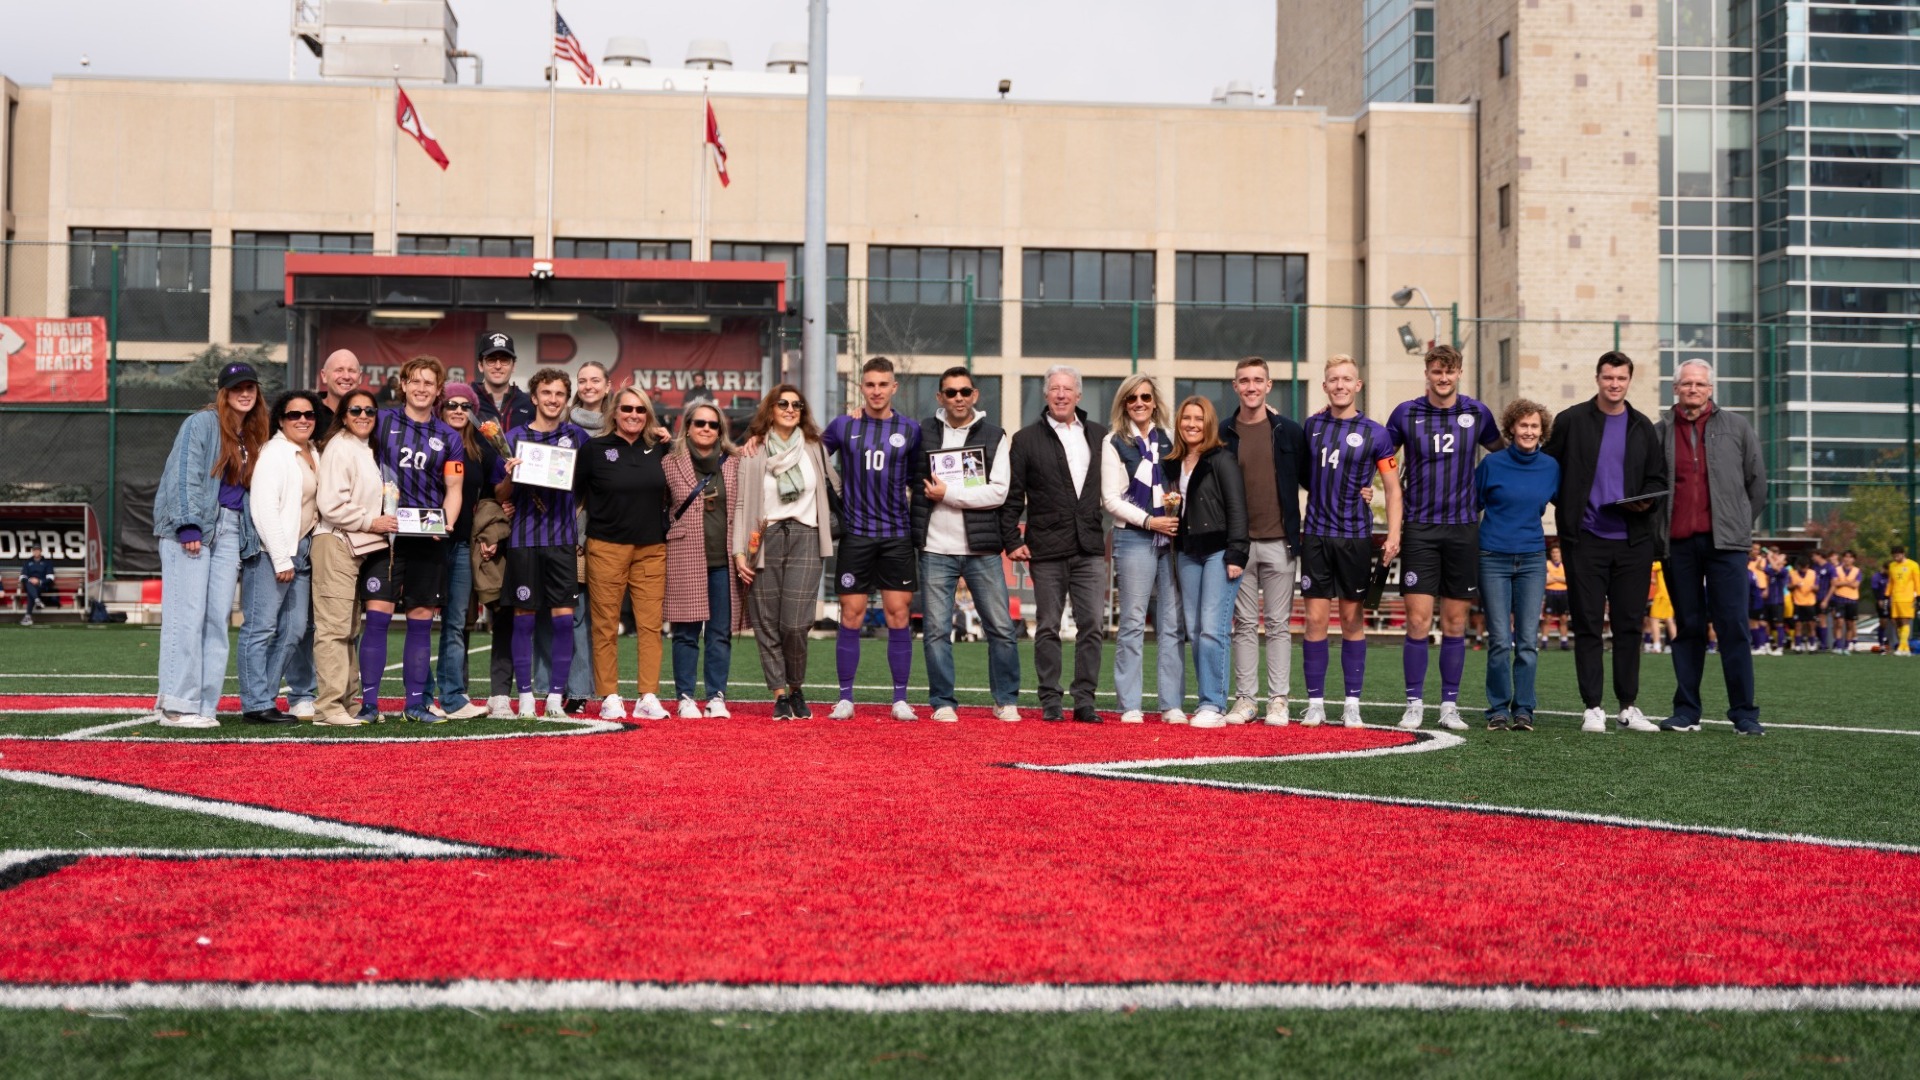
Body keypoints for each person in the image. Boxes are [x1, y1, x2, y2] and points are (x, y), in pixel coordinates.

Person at [1543, 351, 1667, 734]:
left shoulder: (1642, 426)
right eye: (1608, 377)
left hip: (1633, 542)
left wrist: (1646, 501)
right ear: (1597, 378)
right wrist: (1568, 505)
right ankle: (1592, 707)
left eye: (1621, 378)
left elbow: (1657, 478)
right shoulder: (1571, 420)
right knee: (1588, 625)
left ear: (1629, 381)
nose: (1615, 384)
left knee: (1629, 625)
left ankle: (1628, 706)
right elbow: (1548, 469)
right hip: (1584, 540)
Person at [1386, 345, 1503, 731]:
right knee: (1418, 621)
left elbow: (1504, 455)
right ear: (1427, 373)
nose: (1443, 378)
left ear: (1459, 373)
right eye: (1437, 371)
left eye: (1449, 372)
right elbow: (1379, 454)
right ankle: (1414, 703)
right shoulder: (1405, 413)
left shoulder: (1477, 413)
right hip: (1419, 529)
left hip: (1463, 529)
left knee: (1455, 623)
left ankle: (1449, 706)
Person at [148, 361, 266, 728]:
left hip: (229, 531)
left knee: (216, 620)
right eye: (236, 388)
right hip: (193, 528)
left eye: (250, 387)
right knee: (186, 617)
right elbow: (184, 473)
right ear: (224, 393)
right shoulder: (201, 423)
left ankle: (203, 705)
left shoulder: (253, 433)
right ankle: (175, 706)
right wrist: (188, 525)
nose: (244, 393)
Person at [1653, 357, 1767, 734]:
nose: (1693, 389)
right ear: (1675, 388)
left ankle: (1745, 714)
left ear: (1710, 389)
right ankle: (1686, 712)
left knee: (1733, 625)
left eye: (1700, 384)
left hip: (1727, 545)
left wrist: (1738, 522)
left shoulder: (1737, 427)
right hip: (1678, 545)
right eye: (1687, 383)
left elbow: (1757, 483)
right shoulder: (1659, 431)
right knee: (1688, 627)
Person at [359, 355, 465, 724]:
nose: (421, 388)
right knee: (377, 617)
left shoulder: (449, 437)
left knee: (421, 620)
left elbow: (454, 488)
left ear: (438, 391)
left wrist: (446, 523)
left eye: (428, 383)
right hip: (385, 537)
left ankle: (415, 706)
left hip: (427, 538)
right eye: (415, 381)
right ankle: (368, 705)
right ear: (403, 385)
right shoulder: (382, 421)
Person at [912, 366, 1021, 723]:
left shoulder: (994, 435)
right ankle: (942, 702)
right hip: (934, 548)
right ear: (940, 397)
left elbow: (998, 493)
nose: (958, 398)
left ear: (975, 395)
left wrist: (948, 494)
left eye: (964, 391)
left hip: (981, 550)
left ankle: (1005, 700)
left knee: (1001, 628)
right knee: (936, 632)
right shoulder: (923, 432)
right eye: (950, 392)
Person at [1298, 355, 1401, 728]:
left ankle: (1352, 704)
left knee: (1352, 620)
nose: (1340, 385)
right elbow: (1306, 476)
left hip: (1355, 537)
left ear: (1358, 385)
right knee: (1314, 620)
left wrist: (1394, 534)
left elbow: (1392, 488)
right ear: (1325, 386)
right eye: (1333, 379)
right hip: (1316, 535)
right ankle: (1315, 703)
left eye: (1347, 379)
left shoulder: (1377, 433)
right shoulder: (1311, 426)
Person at [1002, 365, 1109, 723]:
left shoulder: (1100, 435)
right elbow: (1013, 495)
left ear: (1079, 395)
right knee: (1048, 625)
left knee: (1092, 625)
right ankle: (1050, 699)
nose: (1061, 395)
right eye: (1054, 388)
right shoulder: (1025, 439)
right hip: (1045, 548)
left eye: (1067, 389)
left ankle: (1085, 701)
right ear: (1046, 394)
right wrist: (1011, 539)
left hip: (1089, 546)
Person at [819, 356, 924, 721]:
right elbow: (810, 455)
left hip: (896, 536)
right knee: (851, 615)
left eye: (883, 384)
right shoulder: (843, 425)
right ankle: (845, 698)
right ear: (861, 387)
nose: (876, 391)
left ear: (894, 387)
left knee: (899, 615)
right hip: (857, 535)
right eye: (870, 384)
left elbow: (918, 479)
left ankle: (900, 700)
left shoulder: (910, 429)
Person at [733, 385, 840, 719]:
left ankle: (796, 687)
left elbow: (835, 487)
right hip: (763, 537)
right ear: (771, 409)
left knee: (796, 623)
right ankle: (779, 694)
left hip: (807, 535)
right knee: (766, 621)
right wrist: (738, 552)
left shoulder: (814, 447)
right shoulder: (753, 451)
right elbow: (741, 504)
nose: (791, 409)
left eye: (797, 404)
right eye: (783, 403)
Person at [494, 368, 589, 720]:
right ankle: (525, 698)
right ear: (534, 397)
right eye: (546, 393)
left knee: (563, 620)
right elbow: (500, 494)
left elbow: (589, 485)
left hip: (562, 541)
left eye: (559, 394)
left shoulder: (577, 437)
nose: (553, 399)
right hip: (524, 540)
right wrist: (510, 474)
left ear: (566, 399)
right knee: (524, 619)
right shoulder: (513, 437)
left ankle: (554, 698)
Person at [1219, 357, 1310, 726]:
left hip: (1280, 542)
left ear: (1269, 386)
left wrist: (1363, 490)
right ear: (1235, 386)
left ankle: (1278, 700)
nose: (1251, 387)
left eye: (1258, 380)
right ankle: (1245, 700)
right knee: (1243, 624)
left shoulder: (1290, 432)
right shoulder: (1222, 433)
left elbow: (1313, 480)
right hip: (1238, 545)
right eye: (1245, 380)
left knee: (1277, 624)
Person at [573, 386, 673, 720]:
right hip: (605, 547)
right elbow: (573, 494)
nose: (633, 415)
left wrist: (671, 441)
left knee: (650, 625)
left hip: (651, 549)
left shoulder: (660, 448)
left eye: (640, 410)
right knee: (605, 625)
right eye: (627, 408)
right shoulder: (594, 449)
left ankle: (648, 695)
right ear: (614, 412)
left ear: (648, 415)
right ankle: (610, 696)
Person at [1101, 374, 1186, 724]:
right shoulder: (1113, 441)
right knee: (1133, 622)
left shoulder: (1170, 438)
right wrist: (1151, 522)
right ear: (1123, 403)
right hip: (1134, 537)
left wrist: (1172, 515)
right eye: (1132, 398)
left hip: (1172, 537)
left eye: (1145, 397)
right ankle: (1130, 704)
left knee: (1172, 623)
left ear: (1154, 402)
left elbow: (1182, 482)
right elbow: (1110, 499)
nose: (1139, 403)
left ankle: (1171, 704)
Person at [1474, 399, 1559, 732]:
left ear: (1542, 430)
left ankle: (1524, 709)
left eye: (1534, 426)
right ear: (1511, 428)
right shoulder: (1492, 464)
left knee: (1527, 641)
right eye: (1523, 425)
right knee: (1498, 639)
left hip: (1533, 560)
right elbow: (1470, 504)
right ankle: (1497, 709)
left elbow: (1569, 503)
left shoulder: (1551, 467)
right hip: (1492, 557)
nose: (1528, 431)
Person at [237, 390, 321, 725]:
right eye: (293, 415)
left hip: (301, 551)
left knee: (295, 630)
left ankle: (264, 699)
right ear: (281, 420)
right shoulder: (273, 452)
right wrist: (280, 557)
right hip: (271, 553)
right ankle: (255, 704)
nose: (302, 420)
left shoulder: (313, 451)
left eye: (309, 414)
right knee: (260, 628)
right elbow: (263, 508)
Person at [311, 388, 393, 726]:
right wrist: (372, 522)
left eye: (369, 411)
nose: (363, 416)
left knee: (348, 626)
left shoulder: (364, 448)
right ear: (343, 416)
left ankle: (345, 702)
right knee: (334, 628)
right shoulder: (340, 446)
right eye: (355, 410)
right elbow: (330, 504)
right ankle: (328, 707)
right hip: (336, 541)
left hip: (356, 544)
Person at [1166, 396, 1248, 728]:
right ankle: (1206, 700)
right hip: (1187, 551)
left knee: (1213, 629)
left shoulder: (1221, 458)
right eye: (1186, 418)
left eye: (1198, 419)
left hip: (1219, 551)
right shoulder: (1173, 462)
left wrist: (1237, 552)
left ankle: (1213, 704)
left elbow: (1238, 506)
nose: (1192, 424)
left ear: (1209, 423)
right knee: (1196, 630)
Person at [664, 401, 745, 718]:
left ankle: (716, 696)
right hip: (684, 555)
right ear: (688, 427)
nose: (706, 429)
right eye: (700, 423)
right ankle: (685, 697)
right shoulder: (670, 462)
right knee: (685, 633)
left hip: (724, 560)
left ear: (721, 430)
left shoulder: (735, 462)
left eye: (713, 424)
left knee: (719, 633)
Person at [428, 382, 493, 721]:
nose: (457, 410)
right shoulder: (428, 441)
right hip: (428, 541)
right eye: (451, 404)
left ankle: (453, 697)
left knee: (455, 623)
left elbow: (495, 492)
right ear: (440, 408)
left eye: (464, 405)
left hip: (464, 542)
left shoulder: (481, 447)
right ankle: (421, 697)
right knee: (421, 621)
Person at [473, 331, 534, 431]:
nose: (498, 366)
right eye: (491, 360)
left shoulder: (529, 404)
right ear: (480, 365)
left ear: (513, 366)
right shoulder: (467, 402)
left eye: (504, 360)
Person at [313, 348, 363, 434]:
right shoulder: (308, 413)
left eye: (351, 371)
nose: (346, 376)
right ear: (324, 376)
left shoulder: (369, 415)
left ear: (360, 377)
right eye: (339, 370)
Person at [1888, 544, 1920, 656]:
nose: (1895, 558)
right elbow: (1891, 582)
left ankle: (1901, 647)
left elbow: (1917, 582)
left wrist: (1918, 596)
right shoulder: (1892, 566)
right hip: (1895, 598)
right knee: (1897, 622)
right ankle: (1905, 649)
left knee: (1905, 621)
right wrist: (1887, 595)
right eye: (1894, 556)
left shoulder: (1913, 565)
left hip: (1907, 598)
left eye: (1897, 555)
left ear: (1903, 554)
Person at [1831, 550, 1861, 654]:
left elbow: (1855, 585)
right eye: (1846, 557)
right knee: (1839, 623)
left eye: (1850, 557)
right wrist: (1848, 582)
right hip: (1840, 599)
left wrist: (1842, 582)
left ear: (1854, 559)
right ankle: (1838, 646)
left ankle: (1846, 646)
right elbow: (1835, 583)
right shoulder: (1837, 569)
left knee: (1850, 624)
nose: (1847, 559)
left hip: (1852, 600)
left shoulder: (1857, 571)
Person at [16, 545, 54, 626]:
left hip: (42, 586)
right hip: (30, 585)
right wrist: (30, 580)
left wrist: (39, 581)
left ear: (41, 551)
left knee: (31, 592)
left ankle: (28, 616)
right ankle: (37, 600)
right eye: (34, 550)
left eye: (38, 550)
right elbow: (22, 576)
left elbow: (50, 578)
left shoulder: (47, 562)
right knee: (30, 585)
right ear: (32, 551)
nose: (36, 552)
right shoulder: (27, 562)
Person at [1542, 542, 1569, 650]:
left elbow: (1569, 579)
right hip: (1550, 593)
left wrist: (1554, 578)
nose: (1555, 554)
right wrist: (1561, 579)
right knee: (1547, 618)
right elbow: (1545, 580)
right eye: (1553, 552)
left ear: (1561, 553)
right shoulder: (1546, 564)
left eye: (1557, 552)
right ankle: (1544, 642)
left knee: (1564, 618)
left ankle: (1564, 642)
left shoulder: (1565, 564)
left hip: (1563, 593)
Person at [1789, 556, 1818, 653]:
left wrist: (1813, 588)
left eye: (1805, 567)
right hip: (1798, 602)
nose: (1803, 569)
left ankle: (1812, 645)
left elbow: (1817, 587)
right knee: (1798, 625)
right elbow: (1788, 586)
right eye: (1801, 567)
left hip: (1810, 603)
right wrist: (1795, 585)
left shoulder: (1813, 573)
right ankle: (1798, 645)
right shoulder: (1793, 574)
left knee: (1811, 625)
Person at [1646, 562, 1676, 653]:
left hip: (1661, 596)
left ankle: (1656, 646)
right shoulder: (1673, 563)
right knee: (1669, 620)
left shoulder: (1660, 563)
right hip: (1670, 595)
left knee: (1654, 619)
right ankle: (1676, 645)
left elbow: (1648, 567)